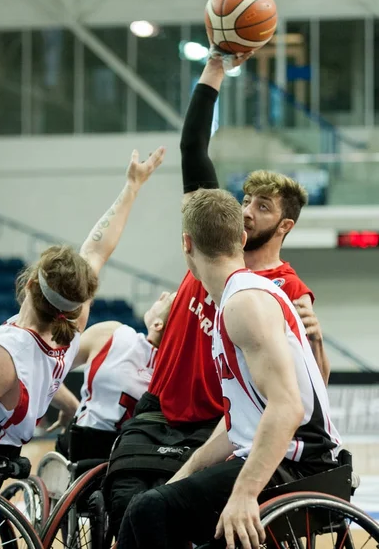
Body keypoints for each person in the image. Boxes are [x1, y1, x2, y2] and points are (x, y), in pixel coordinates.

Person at [104, 53, 328, 535]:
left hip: (244, 435)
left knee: (149, 514)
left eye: (260, 206)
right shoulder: (221, 261)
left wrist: (245, 492)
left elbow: (294, 400)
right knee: (129, 501)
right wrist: (215, 67)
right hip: (173, 408)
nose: (246, 212)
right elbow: (193, 149)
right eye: (244, 201)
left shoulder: (261, 292)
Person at [116, 188, 341, 549]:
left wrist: (244, 493)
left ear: (186, 244)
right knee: (157, 501)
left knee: (149, 510)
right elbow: (241, 417)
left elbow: (288, 407)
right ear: (240, 238)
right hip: (285, 456)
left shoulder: (243, 304)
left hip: (302, 465)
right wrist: (186, 471)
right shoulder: (239, 297)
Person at [0, 146, 164, 488]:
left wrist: (132, 185)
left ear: (32, 282)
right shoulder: (73, 328)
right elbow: (96, 249)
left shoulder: (3, 357)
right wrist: (132, 187)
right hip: (2, 460)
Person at [53, 291, 176, 463]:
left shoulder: (112, 334)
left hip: (81, 447)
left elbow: (45, 370)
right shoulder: (179, 374)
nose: (162, 294)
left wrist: (70, 407)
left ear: (157, 324)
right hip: (132, 460)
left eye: (167, 299)